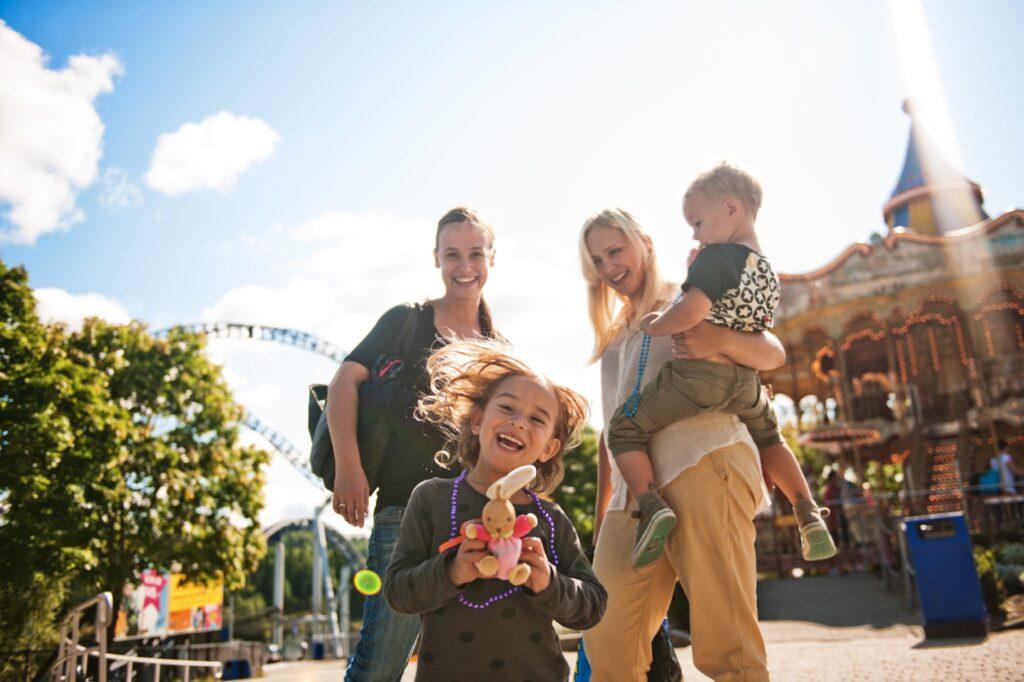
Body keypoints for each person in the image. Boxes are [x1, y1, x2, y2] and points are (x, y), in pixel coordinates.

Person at [579, 207, 778, 681]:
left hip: (704, 461)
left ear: (643, 241)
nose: (608, 267)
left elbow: (773, 353)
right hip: (633, 499)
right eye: (597, 260)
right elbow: (612, 428)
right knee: (607, 643)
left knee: (726, 642)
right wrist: (602, 514)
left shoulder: (690, 299)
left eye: (615, 250)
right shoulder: (614, 337)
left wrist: (717, 339)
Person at [607, 162, 835, 567]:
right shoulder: (766, 269)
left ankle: (650, 504)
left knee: (624, 430)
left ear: (731, 209)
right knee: (771, 439)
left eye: (697, 222)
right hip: (746, 383)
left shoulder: (717, 257)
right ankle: (807, 511)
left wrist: (657, 324)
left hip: (698, 378)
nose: (694, 233)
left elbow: (694, 309)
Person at [326, 207, 499, 681]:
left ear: (491, 258)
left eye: (475, 254)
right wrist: (349, 467)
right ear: (437, 259)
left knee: (466, 664)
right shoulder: (408, 320)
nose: (464, 266)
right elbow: (345, 380)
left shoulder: (499, 345)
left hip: (476, 518)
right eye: (452, 254)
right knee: (381, 662)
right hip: (405, 516)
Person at [385, 339, 607, 681]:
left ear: (549, 448)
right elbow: (398, 592)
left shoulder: (550, 519)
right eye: (507, 408)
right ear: (477, 421)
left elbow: (592, 605)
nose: (519, 422)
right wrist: (452, 570)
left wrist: (548, 580)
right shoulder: (432, 498)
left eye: (536, 418)